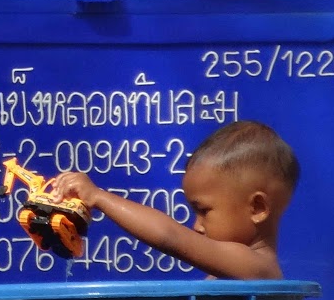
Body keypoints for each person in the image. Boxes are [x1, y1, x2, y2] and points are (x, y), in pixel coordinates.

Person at [49, 120, 298, 280]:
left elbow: (171, 237)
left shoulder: (256, 268)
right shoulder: (227, 272)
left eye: (204, 211)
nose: (196, 226)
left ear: (257, 208)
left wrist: (98, 196)